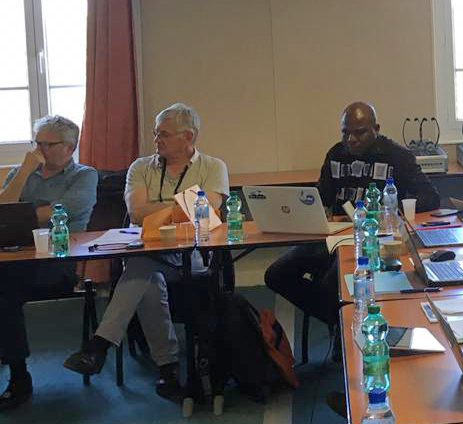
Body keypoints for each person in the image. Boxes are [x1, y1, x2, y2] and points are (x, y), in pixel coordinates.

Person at [64, 103, 229, 398]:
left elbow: (207, 212)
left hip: (193, 255)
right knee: (147, 275)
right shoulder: (140, 167)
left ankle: (103, 346)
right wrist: (182, 205)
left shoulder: (213, 167)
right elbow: (137, 213)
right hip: (147, 250)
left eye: (164, 134)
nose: (156, 140)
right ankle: (167, 369)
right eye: (155, 133)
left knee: (141, 268)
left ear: (188, 137)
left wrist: (162, 209)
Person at [264, 101, 441, 332]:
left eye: (359, 133)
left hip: (373, 240)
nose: (351, 139)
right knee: (276, 274)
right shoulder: (336, 154)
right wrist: (300, 207)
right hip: (335, 236)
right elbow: (322, 197)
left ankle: (341, 322)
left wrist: (387, 209)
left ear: (376, 129)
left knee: (334, 283)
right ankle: (336, 320)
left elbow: (431, 197)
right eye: (345, 133)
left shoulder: (397, 156)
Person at [0, 115, 98, 411]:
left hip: (58, 261)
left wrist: (22, 213)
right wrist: (24, 171)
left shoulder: (84, 175)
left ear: (69, 146)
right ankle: (15, 364)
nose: (39, 150)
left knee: (4, 288)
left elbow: (59, 212)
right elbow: (3, 210)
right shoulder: (23, 173)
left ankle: (19, 376)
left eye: (47, 144)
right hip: (15, 256)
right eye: (37, 143)